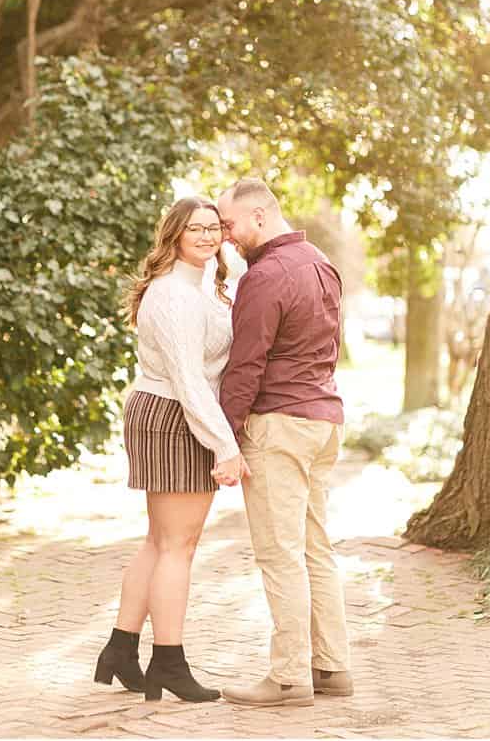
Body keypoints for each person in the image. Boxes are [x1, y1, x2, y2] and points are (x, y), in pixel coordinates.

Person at [95, 196, 249, 703]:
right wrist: (224, 445)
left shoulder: (198, 285)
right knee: (177, 548)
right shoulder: (175, 294)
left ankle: (120, 648)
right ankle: (169, 662)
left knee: (159, 542)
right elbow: (189, 380)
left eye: (214, 228)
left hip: (164, 412)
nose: (207, 236)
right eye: (195, 229)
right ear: (175, 235)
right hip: (173, 416)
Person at [215, 177, 352, 708]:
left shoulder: (265, 275)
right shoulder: (320, 261)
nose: (226, 236)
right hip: (322, 420)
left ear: (259, 216)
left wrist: (224, 438)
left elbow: (246, 366)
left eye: (229, 225)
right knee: (316, 548)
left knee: (280, 554)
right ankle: (332, 667)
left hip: (280, 425)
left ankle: (290, 677)